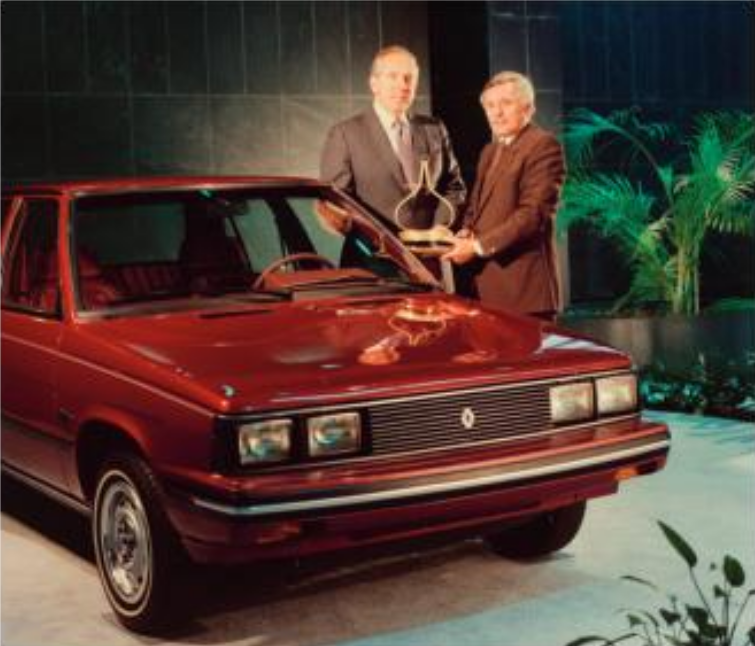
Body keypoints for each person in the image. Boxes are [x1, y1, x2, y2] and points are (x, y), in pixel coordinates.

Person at [442, 71, 566, 322]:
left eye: (506, 104)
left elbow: (532, 215)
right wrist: (467, 229)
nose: (496, 113)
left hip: (523, 294)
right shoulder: (490, 150)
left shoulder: (543, 145)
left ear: (528, 108)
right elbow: (477, 206)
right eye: (490, 106)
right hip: (485, 291)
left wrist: (477, 247)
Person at [320, 45, 466, 232]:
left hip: (429, 254)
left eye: (409, 78)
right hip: (372, 256)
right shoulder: (344, 134)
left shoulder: (434, 129)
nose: (403, 85)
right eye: (393, 76)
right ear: (374, 84)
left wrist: (440, 228)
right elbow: (336, 202)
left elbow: (454, 189)